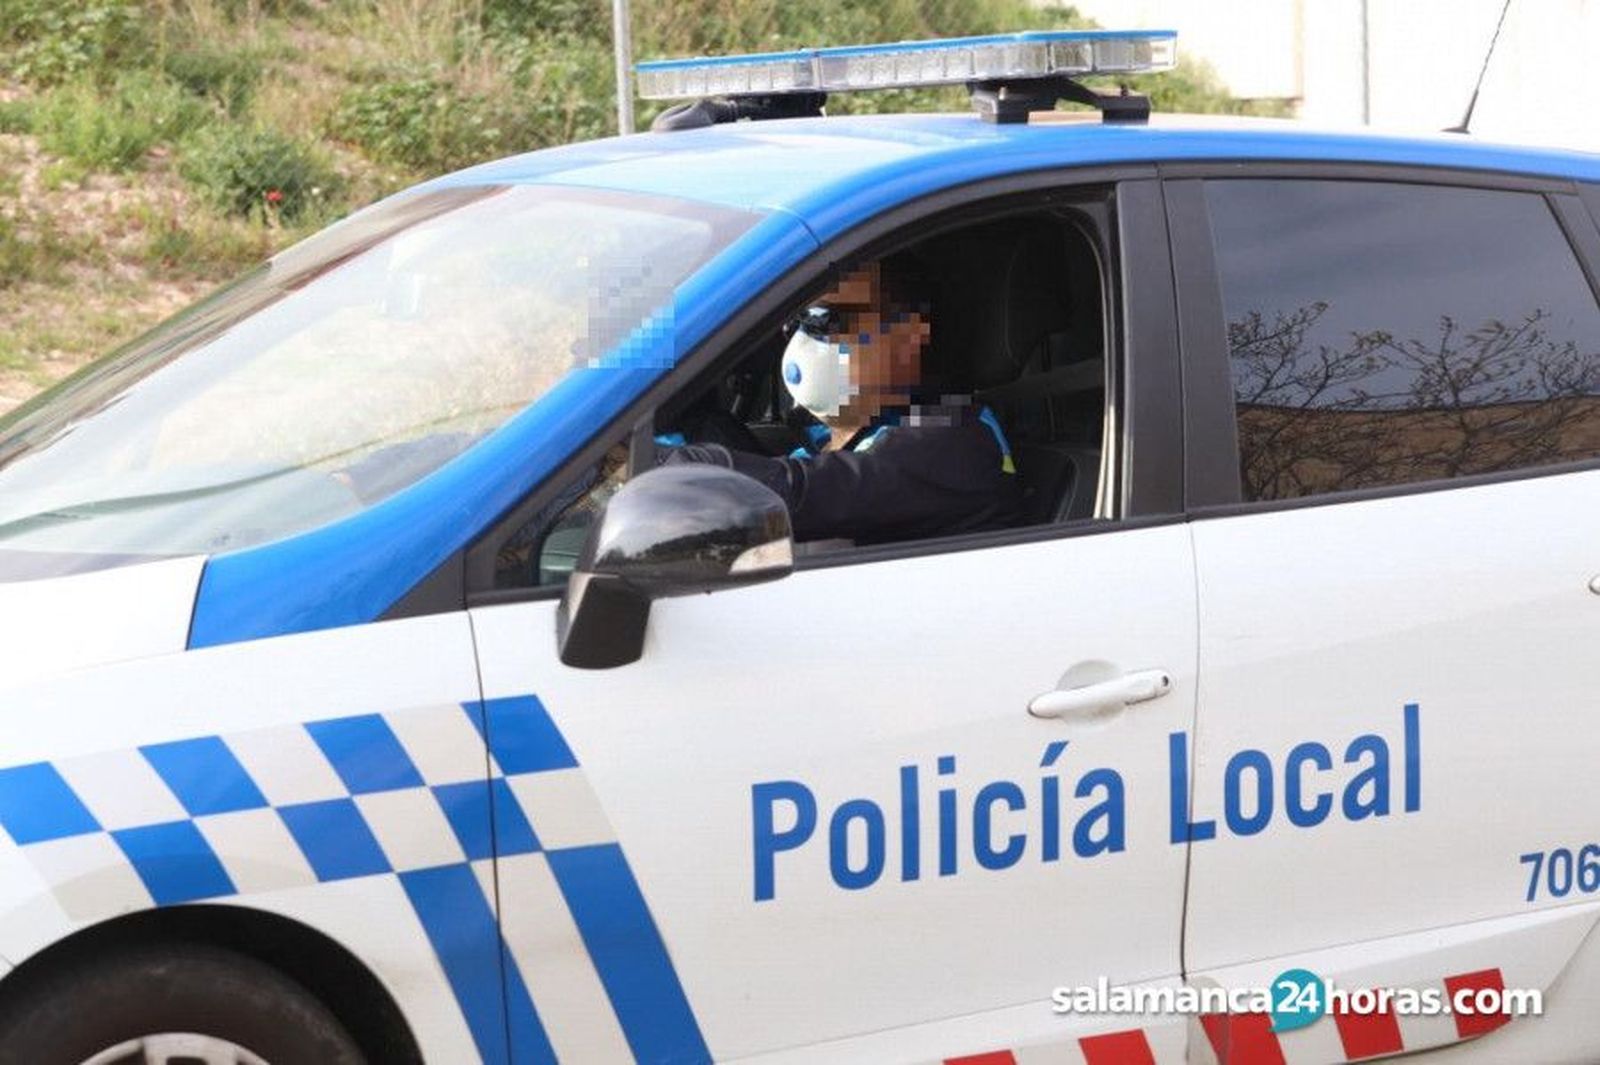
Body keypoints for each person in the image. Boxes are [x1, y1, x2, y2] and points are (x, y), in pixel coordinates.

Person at [663, 254, 1021, 545]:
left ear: (907, 335)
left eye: (825, 319)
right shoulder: (852, 433)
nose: (804, 338)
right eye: (798, 319)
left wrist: (678, 467)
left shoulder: (955, 438)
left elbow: (803, 494)